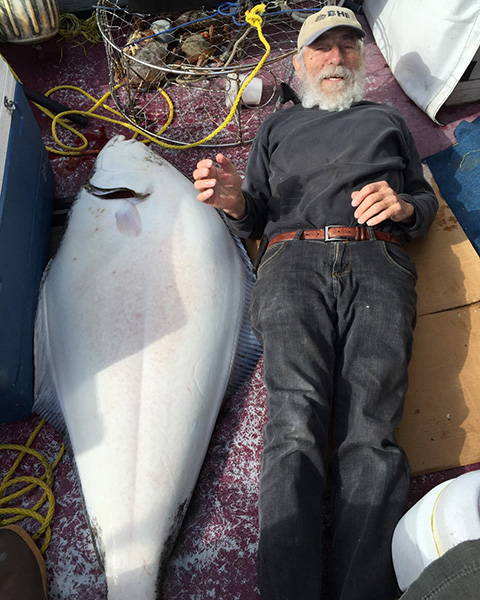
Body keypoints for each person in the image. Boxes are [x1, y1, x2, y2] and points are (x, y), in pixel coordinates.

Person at [193, 6, 438, 599]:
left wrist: (404, 208)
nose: (336, 58)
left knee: (372, 432)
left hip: (378, 260)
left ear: (360, 59)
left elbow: (423, 206)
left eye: (347, 47)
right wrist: (231, 200)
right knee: (295, 424)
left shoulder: (387, 120)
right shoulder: (276, 127)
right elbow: (254, 211)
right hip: (291, 262)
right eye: (321, 49)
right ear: (300, 64)